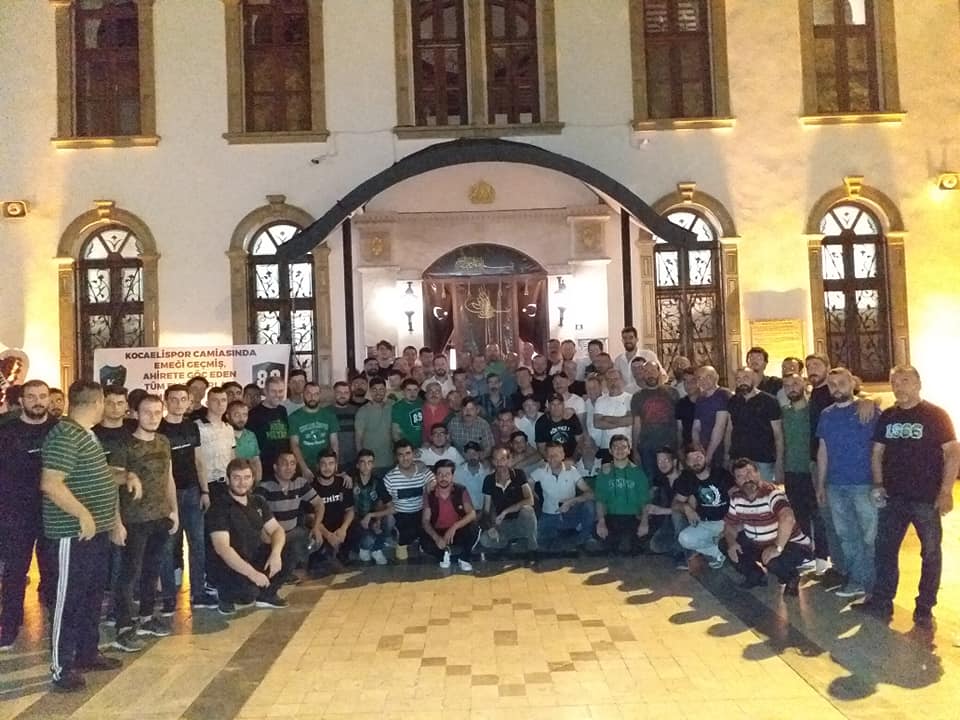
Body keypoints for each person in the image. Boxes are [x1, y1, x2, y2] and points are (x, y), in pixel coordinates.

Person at [41, 381, 142, 691]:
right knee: (68, 601)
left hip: (94, 533)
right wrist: (82, 513)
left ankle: (86, 652)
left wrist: (126, 475)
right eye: (106, 403)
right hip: (71, 534)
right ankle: (61, 668)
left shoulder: (86, 434)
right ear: (97, 402)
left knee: (91, 596)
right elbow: (51, 483)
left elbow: (97, 473)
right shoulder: (65, 435)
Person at [858, 366, 960, 627]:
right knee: (885, 550)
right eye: (895, 382)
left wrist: (946, 491)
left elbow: (952, 453)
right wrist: (878, 484)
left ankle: (925, 606)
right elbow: (877, 453)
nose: (899, 386)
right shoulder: (888, 416)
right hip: (893, 497)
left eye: (905, 380)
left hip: (926, 498)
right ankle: (882, 601)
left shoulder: (936, 415)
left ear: (918, 383)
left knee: (931, 553)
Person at [111, 395, 179, 651]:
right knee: (129, 573)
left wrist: (174, 510)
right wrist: (117, 522)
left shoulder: (164, 441)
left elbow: (168, 477)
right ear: (136, 414)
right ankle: (124, 626)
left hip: (160, 517)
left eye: (157, 412)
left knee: (152, 570)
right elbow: (113, 483)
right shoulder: (124, 445)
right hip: (134, 519)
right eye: (147, 412)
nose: (152, 417)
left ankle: (147, 616)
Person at [0, 380, 58, 650]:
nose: (38, 401)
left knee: (54, 572)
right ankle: (9, 626)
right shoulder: (6, 431)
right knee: (14, 573)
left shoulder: (60, 430)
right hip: (15, 513)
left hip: (52, 511)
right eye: (31, 397)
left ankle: (57, 627)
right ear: (21, 401)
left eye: (42, 396)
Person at [815, 367, 879, 599]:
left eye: (842, 383)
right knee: (846, 535)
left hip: (864, 483)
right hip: (835, 484)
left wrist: (879, 481)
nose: (837, 388)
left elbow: (880, 447)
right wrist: (821, 484)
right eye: (832, 385)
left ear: (852, 383)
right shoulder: (826, 415)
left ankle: (874, 583)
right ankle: (857, 579)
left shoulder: (868, 409)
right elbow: (823, 451)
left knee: (870, 535)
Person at [158, 384, 217, 614]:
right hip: (167, 495)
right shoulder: (159, 428)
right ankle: (168, 597)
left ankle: (198, 592)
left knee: (198, 544)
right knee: (167, 546)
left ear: (189, 401)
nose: (179, 404)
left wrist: (205, 491)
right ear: (166, 401)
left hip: (192, 492)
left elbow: (198, 460)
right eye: (174, 399)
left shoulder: (192, 426)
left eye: (183, 399)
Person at [206, 458, 287, 616]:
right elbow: (223, 549)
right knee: (246, 595)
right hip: (228, 566)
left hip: (252, 557)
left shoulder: (258, 501)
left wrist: (276, 554)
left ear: (253, 479)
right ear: (228, 479)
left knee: (289, 548)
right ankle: (224, 595)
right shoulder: (219, 507)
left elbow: (277, 529)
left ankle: (267, 595)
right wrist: (253, 574)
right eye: (236, 478)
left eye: (246, 477)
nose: (242, 483)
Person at [722, 459, 813, 596]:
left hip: (790, 544)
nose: (747, 479)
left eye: (749, 473)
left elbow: (788, 518)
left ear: (758, 473)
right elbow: (730, 524)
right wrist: (731, 543)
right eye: (740, 476)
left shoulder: (772, 493)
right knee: (724, 543)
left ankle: (791, 576)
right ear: (736, 481)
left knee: (772, 560)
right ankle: (755, 575)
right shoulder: (737, 497)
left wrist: (777, 547)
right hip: (759, 543)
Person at [780, 373, 829, 575]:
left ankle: (822, 556)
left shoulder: (815, 411)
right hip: (791, 470)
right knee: (799, 515)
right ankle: (806, 553)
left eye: (795, 383)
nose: (791, 388)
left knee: (818, 514)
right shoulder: (783, 413)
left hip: (812, 470)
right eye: (787, 385)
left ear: (804, 385)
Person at [254, 452, 324, 582]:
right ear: (275, 467)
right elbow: (255, 513)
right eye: (284, 463)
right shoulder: (264, 487)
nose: (289, 467)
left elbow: (319, 504)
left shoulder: (300, 483)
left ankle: (294, 570)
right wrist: (263, 533)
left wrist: (316, 527)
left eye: (292, 463)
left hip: (292, 533)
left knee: (311, 538)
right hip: (271, 536)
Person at [674, 446, 734, 568]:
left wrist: (729, 527)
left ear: (705, 457)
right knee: (684, 538)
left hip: (726, 521)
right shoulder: (687, 478)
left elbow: (736, 497)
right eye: (691, 459)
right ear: (687, 463)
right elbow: (675, 503)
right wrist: (686, 508)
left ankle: (721, 547)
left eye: (698, 457)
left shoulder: (721, 474)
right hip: (705, 523)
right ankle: (717, 552)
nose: (696, 461)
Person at [531, 443, 595, 552]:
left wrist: (571, 501)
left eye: (556, 455)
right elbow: (527, 483)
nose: (553, 458)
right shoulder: (541, 471)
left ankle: (583, 538)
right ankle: (565, 539)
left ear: (563, 455)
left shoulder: (571, 471)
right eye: (550, 455)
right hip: (549, 515)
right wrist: (533, 494)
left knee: (589, 506)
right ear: (546, 457)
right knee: (538, 542)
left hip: (569, 513)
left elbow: (590, 493)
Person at [593, 434, 649, 555]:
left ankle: (626, 542)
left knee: (633, 546)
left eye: (623, 447)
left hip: (633, 517)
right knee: (601, 537)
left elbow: (645, 501)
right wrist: (601, 522)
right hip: (612, 517)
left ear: (629, 450)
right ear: (610, 451)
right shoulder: (604, 472)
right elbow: (600, 500)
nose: (620, 450)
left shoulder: (638, 473)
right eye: (616, 447)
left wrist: (644, 522)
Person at [379, 439, 434, 560]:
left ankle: (418, 538)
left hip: (421, 514)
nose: (405, 458)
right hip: (401, 516)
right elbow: (384, 503)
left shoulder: (422, 470)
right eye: (401, 455)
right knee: (402, 553)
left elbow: (434, 483)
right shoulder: (389, 478)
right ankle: (396, 537)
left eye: (408, 453)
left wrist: (431, 484)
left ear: (413, 454)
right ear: (396, 457)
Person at [727, 367, 784, 483]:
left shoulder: (769, 401)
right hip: (738, 459)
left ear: (754, 379)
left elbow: (778, 435)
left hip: (763, 459)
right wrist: (727, 456)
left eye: (746, 377)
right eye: (738, 379)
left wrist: (779, 463)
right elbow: (729, 430)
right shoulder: (733, 401)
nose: (742, 381)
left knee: (764, 491)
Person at [421, 459, 480, 571]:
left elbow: (472, 513)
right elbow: (425, 520)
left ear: (452, 476)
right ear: (435, 476)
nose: (443, 478)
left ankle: (464, 558)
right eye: (440, 474)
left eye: (447, 474)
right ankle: (444, 555)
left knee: (473, 528)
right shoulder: (429, 494)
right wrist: (436, 538)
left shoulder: (460, 490)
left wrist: (454, 527)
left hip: (456, 530)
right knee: (425, 542)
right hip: (438, 530)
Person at [479, 446, 538, 554]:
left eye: (502, 459)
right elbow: (486, 511)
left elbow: (530, 500)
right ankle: (507, 544)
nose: (499, 463)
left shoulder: (519, 474)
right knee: (484, 540)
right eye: (496, 459)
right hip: (502, 524)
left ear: (509, 459)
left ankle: (532, 548)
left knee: (528, 510)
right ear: (492, 461)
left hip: (521, 521)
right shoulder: (489, 480)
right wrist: (490, 527)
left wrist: (506, 511)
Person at [631, 361, 679, 479]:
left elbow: (679, 421)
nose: (650, 374)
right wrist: (635, 450)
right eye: (646, 371)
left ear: (658, 372)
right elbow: (636, 424)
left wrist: (680, 444)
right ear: (642, 374)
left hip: (670, 445)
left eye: (653, 370)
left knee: (671, 480)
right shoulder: (637, 397)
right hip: (647, 447)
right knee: (650, 481)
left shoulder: (672, 393)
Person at [312, 449, 358, 569]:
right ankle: (323, 556)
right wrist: (328, 535)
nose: (327, 468)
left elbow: (350, 510)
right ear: (318, 466)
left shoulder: (343, 483)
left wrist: (343, 528)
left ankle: (343, 554)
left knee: (356, 527)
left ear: (336, 465)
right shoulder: (311, 487)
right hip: (321, 527)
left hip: (339, 526)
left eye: (331, 463)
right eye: (323, 464)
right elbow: (310, 517)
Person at [638, 447, 685, 559]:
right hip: (667, 523)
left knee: (677, 516)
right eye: (659, 461)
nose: (662, 464)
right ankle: (678, 546)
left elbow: (688, 508)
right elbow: (647, 499)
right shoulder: (660, 479)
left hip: (685, 522)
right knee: (655, 546)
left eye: (665, 460)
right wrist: (644, 521)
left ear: (674, 461)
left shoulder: (686, 478)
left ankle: (682, 551)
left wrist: (661, 511)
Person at [288, 381, 339, 481]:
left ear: (320, 395)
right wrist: (304, 468)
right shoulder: (294, 417)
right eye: (309, 394)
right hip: (304, 468)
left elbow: (334, 442)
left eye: (316, 394)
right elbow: (294, 445)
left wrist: (334, 465)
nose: (312, 397)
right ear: (303, 394)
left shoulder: (329, 416)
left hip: (325, 467)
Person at [195, 387, 235, 500]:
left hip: (226, 484)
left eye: (223, 400)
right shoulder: (196, 426)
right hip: (206, 485)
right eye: (215, 400)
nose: (220, 404)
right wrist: (204, 491)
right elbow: (197, 460)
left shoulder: (229, 428)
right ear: (207, 403)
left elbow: (232, 456)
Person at [352, 450, 389, 565]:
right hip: (355, 519)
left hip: (372, 518)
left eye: (369, 462)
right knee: (367, 540)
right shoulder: (350, 480)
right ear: (357, 465)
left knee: (390, 519)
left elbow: (393, 507)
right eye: (362, 462)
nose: (366, 466)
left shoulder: (378, 482)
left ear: (373, 464)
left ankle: (377, 549)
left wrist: (376, 518)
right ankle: (362, 548)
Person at [247, 376, 290, 472]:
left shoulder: (282, 410)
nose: (277, 395)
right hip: (264, 468)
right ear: (265, 391)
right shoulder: (253, 414)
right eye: (273, 391)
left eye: (280, 391)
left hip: (283, 468)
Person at [692, 366, 731, 468]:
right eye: (700, 378)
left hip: (720, 450)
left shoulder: (723, 395)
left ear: (716, 377)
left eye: (708, 377)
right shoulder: (700, 399)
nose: (704, 380)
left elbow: (719, 428)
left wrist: (708, 455)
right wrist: (697, 445)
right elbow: (696, 427)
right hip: (703, 449)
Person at [355, 376, 394, 472]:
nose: (378, 393)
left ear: (385, 391)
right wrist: (361, 459)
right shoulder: (363, 411)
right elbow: (358, 437)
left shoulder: (392, 406)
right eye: (374, 390)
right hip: (371, 464)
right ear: (370, 392)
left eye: (381, 389)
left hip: (391, 460)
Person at [593, 368, 634, 457]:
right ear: (606, 382)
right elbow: (597, 423)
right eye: (609, 379)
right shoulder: (600, 400)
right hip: (606, 447)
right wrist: (622, 422)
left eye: (616, 379)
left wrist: (606, 418)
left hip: (626, 448)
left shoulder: (630, 398)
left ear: (621, 380)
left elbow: (630, 420)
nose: (613, 382)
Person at [535, 393, 583, 460]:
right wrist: (552, 461)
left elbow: (580, 442)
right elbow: (541, 448)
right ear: (548, 406)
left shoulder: (572, 418)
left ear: (563, 405)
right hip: (552, 458)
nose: (556, 407)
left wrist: (573, 460)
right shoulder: (541, 422)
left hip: (571, 457)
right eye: (553, 404)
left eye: (559, 404)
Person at [226, 400, 262, 481]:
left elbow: (256, 461)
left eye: (245, 415)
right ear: (227, 416)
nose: (241, 419)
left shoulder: (251, 435)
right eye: (237, 415)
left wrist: (258, 481)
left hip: (248, 481)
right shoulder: (222, 435)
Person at [454, 441, 488, 511]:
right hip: (463, 511)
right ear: (465, 455)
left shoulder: (487, 473)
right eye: (469, 453)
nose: (472, 456)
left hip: (482, 511)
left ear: (479, 454)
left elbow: (488, 497)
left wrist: (485, 512)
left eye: (474, 453)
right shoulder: (457, 472)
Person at [391, 378, 425, 447]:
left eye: (415, 390)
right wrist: (406, 449)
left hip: (423, 446)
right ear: (403, 391)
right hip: (407, 447)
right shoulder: (397, 407)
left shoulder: (422, 403)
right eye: (409, 390)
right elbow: (395, 433)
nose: (412, 393)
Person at [674, 367, 698, 448]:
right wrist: (679, 448)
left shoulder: (706, 402)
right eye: (685, 381)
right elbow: (679, 430)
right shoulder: (681, 404)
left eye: (693, 381)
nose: (689, 384)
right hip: (688, 448)